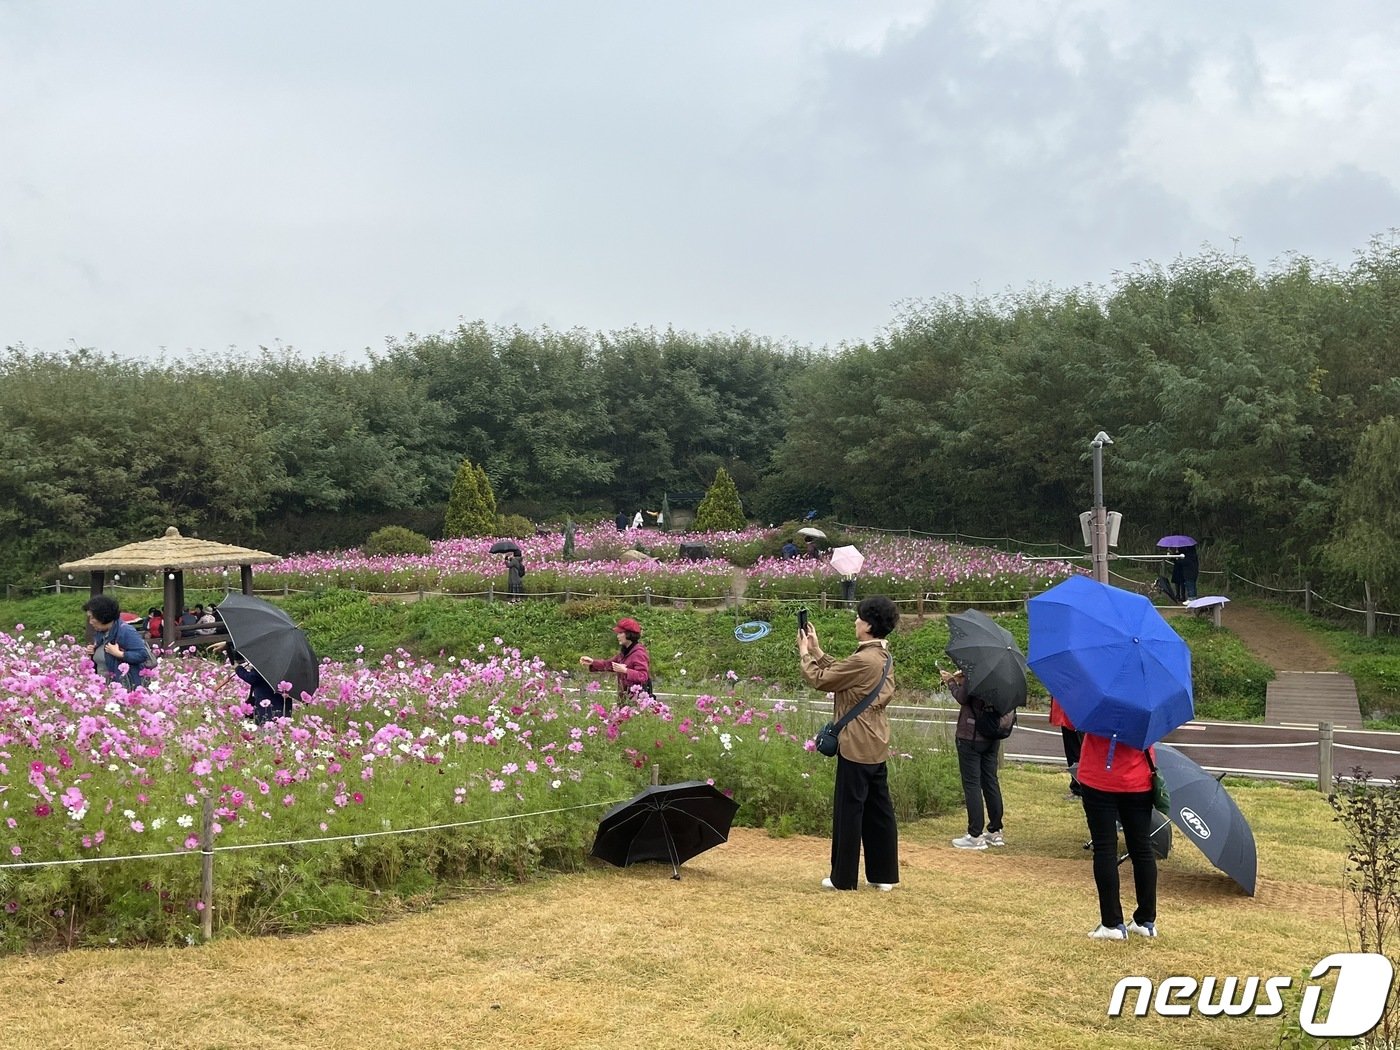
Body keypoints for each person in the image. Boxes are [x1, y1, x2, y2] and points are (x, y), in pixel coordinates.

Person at [798, 595, 901, 892]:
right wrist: (818, 650)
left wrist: (806, 654)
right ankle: (883, 874)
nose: (855, 622)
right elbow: (844, 672)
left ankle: (843, 878)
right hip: (876, 742)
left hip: (855, 743)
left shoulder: (864, 659)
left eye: (858, 618)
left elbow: (822, 679)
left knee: (849, 811)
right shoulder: (882, 657)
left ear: (868, 625)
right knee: (879, 812)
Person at [1078, 731, 1159, 940]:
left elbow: (1070, 721)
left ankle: (1112, 923)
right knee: (1142, 848)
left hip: (1098, 775)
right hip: (1139, 777)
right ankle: (1146, 920)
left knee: (1105, 848)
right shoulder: (1148, 700)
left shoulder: (1096, 699)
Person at [945, 666, 1006, 849]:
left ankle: (975, 834)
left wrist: (952, 682)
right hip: (992, 734)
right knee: (990, 781)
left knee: (972, 784)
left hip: (970, 735)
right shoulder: (1002, 674)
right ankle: (995, 831)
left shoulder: (975, 673)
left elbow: (962, 698)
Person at [84, 594, 151, 690]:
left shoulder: (125, 631)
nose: (90, 622)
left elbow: (142, 654)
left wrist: (120, 654)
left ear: (103, 616)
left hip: (123, 688)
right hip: (103, 687)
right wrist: (94, 651)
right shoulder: (101, 633)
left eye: (92, 618)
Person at [580, 617, 653, 700]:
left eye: (620, 633)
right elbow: (608, 664)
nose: (617, 636)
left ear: (629, 634)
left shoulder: (639, 653)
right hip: (624, 699)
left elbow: (643, 676)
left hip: (637, 702)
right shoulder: (624, 652)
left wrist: (626, 671)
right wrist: (592, 662)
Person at [1049, 696, 1083, 799]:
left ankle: (1079, 788)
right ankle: (1079, 786)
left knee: (1075, 752)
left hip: (1073, 712)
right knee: (1075, 751)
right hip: (1072, 711)